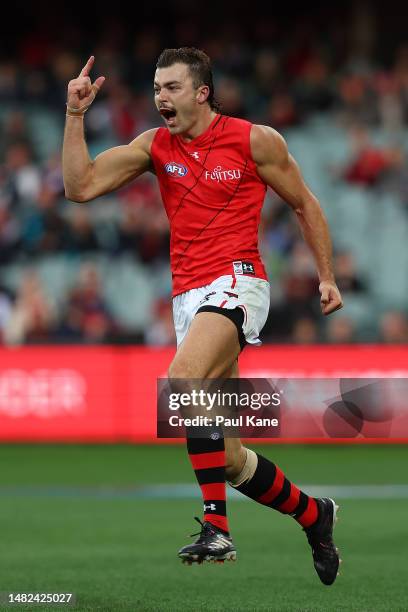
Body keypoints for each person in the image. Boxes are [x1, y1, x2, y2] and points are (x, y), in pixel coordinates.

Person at [63, 48, 343, 585]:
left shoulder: (253, 139)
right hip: (189, 299)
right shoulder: (154, 145)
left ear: (201, 92)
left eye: (170, 87)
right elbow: (80, 187)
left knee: (179, 381)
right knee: (232, 459)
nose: (159, 97)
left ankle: (217, 526)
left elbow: (305, 203)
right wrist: (75, 116)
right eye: (155, 88)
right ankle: (315, 515)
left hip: (239, 282)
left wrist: (326, 276)